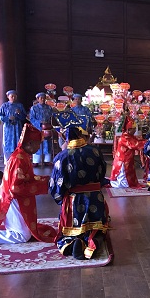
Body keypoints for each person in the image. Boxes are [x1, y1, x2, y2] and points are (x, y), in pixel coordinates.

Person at [0, 124, 57, 246]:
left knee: (28, 231)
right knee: (22, 236)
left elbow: (27, 179)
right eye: (38, 144)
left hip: (17, 197)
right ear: (29, 143)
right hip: (12, 199)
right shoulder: (18, 159)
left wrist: (46, 180)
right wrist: (42, 184)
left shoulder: (23, 156)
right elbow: (15, 188)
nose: (39, 147)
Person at [50, 111, 109, 260]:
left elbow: (56, 186)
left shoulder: (61, 157)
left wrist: (60, 199)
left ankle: (74, 242)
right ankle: (92, 241)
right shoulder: (95, 151)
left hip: (74, 202)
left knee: (70, 230)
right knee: (97, 228)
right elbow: (102, 174)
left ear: (66, 137)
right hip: (95, 199)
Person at [109, 116, 147, 188]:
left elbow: (137, 141)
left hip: (128, 159)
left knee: (129, 174)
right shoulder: (124, 138)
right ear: (129, 129)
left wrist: (146, 141)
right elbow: (135, 144)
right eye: (134, 129)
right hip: (122, 160)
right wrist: (148, 142)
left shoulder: (130, 136)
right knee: (123, 177)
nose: (135, 130)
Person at [0, 90, 27, 162]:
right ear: (8, 97)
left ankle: (17, 159)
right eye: (12, 96)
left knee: (18, 141)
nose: (13, 98)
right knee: (7, 142)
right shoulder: (4, 105)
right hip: (8, 127)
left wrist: (19, 113)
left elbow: (24, 116)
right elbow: (0, 115)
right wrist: (8, 118)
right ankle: (8, 160)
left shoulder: (20, 105)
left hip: (17, 127)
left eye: (15, 96)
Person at [29, 92, 54, 166]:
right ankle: (36, 161)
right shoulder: (34, 108)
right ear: (38, 99)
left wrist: (49, 123)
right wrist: (40, 123)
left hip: (47, 128)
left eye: (44, 98)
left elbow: (52, 117)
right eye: (41, 98)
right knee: (37, 143)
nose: (43, 99)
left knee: (47, 143)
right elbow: (32, 118)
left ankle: (47, 160)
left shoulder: (49, 108)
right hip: (37, 129)